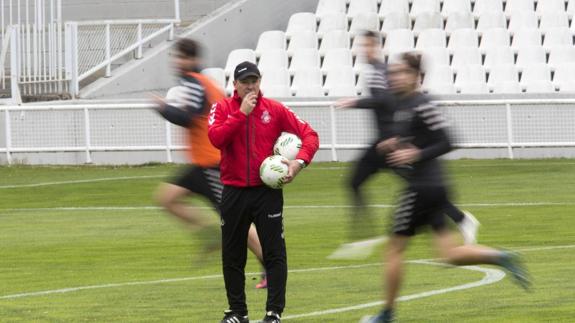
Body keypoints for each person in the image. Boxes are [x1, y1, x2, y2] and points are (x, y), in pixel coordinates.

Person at [360, 53, 530, 323]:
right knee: (448, 254)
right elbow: (421, 138)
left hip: (422, 187)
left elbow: (448, 141)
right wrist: (396, 143)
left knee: (393, 250)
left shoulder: (423, 103)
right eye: (393, 73)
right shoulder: (406, 106)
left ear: (417, 76)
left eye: (402, 72)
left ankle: (385, 315)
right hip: (435, 188)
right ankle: (502, 256)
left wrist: (414, 155)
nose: (395, 77)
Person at [331, 31, 479, 261]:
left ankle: (364, 238)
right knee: (417, 188)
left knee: (412, 187)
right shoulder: (378, 71)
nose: (363, 50)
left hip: (389, 143)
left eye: (367, 46)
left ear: (376, 47)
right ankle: (459, 221)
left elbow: (386, 101)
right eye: (362, 46)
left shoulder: (381, 72)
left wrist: (356, 102)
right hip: (390, 142)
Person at [208, 61, 319, 323]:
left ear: (260, 81)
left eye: (254, 80)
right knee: (232, 254)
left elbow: (310, 134)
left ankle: (274, 312)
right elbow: (215, 138)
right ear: (234, 85)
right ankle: (237, 312)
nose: (250, 86)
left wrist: (299, 162)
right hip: (234, 191)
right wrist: (241, 114)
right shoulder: (222, 108)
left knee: (274, 252)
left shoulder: (275, 109)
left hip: (266, 192)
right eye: (245, 81)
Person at [152, 38, 266, 288]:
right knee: (166, 198)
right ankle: (210, 234)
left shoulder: (194, 83)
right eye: (175, 57)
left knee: (236, 221)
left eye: (181, 57)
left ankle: (271, 265)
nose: (176, 62)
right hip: (202, 163)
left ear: (192, 60)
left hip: (214, 164)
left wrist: (163, 108)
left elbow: (187, 118)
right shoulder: (201, 83)